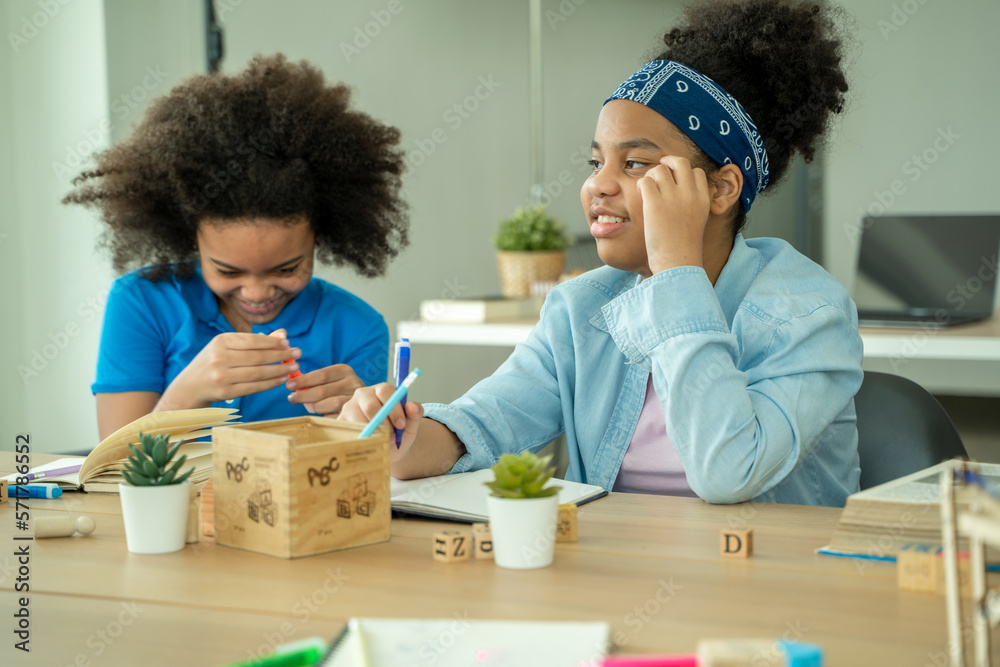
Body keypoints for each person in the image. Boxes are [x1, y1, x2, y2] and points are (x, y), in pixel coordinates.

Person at [341, 0, 863, 507]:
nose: (597, 186)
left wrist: (677, 271)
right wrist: (403, 437)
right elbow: (485, 423)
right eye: (596, 162)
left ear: (722, 189)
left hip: (763, 587)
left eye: (634, 163)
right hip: (612, 578)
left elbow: (727, 472)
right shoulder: (580, 309)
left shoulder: (808, 312)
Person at [64, 55, 408, 440]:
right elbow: (116, 470)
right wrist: (187, 392)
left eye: (286, 268)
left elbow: (355, 476)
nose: (257, 293)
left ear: (322, 235)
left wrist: (357, 424)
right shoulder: (141, 303)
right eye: (228, 271)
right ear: (188, 235)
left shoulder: (357, 329)